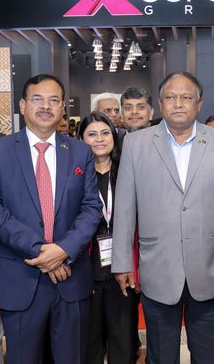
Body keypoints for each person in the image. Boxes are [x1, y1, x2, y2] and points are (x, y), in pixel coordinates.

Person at [112, 71, 214, 363]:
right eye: (170, 97)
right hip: (157, 271)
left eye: (186, 97)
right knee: (161, 357)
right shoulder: (136, 144)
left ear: (199, 103)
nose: (178, 104)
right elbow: (124, 209)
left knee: (211, 357)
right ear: (160, 104)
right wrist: (122, 263)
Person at [0, 74, 101, 363]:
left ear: (62, 108)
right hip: (20, 276)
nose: (46, 106)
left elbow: (91, 208)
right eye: (37, 99)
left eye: (54, 100)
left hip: (71, 277)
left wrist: (63, 250)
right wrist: (43, 252)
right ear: (23, 105)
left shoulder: (80, 152)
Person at [78, 112, 139, 364]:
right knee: (89, 345)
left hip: (123, 269)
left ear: (114, 136)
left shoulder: (128, 171)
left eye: (105, 133)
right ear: (81, 139)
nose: (100, 139)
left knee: (123, 342)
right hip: (87, 271)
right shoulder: (76, 176)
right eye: (92, 134)